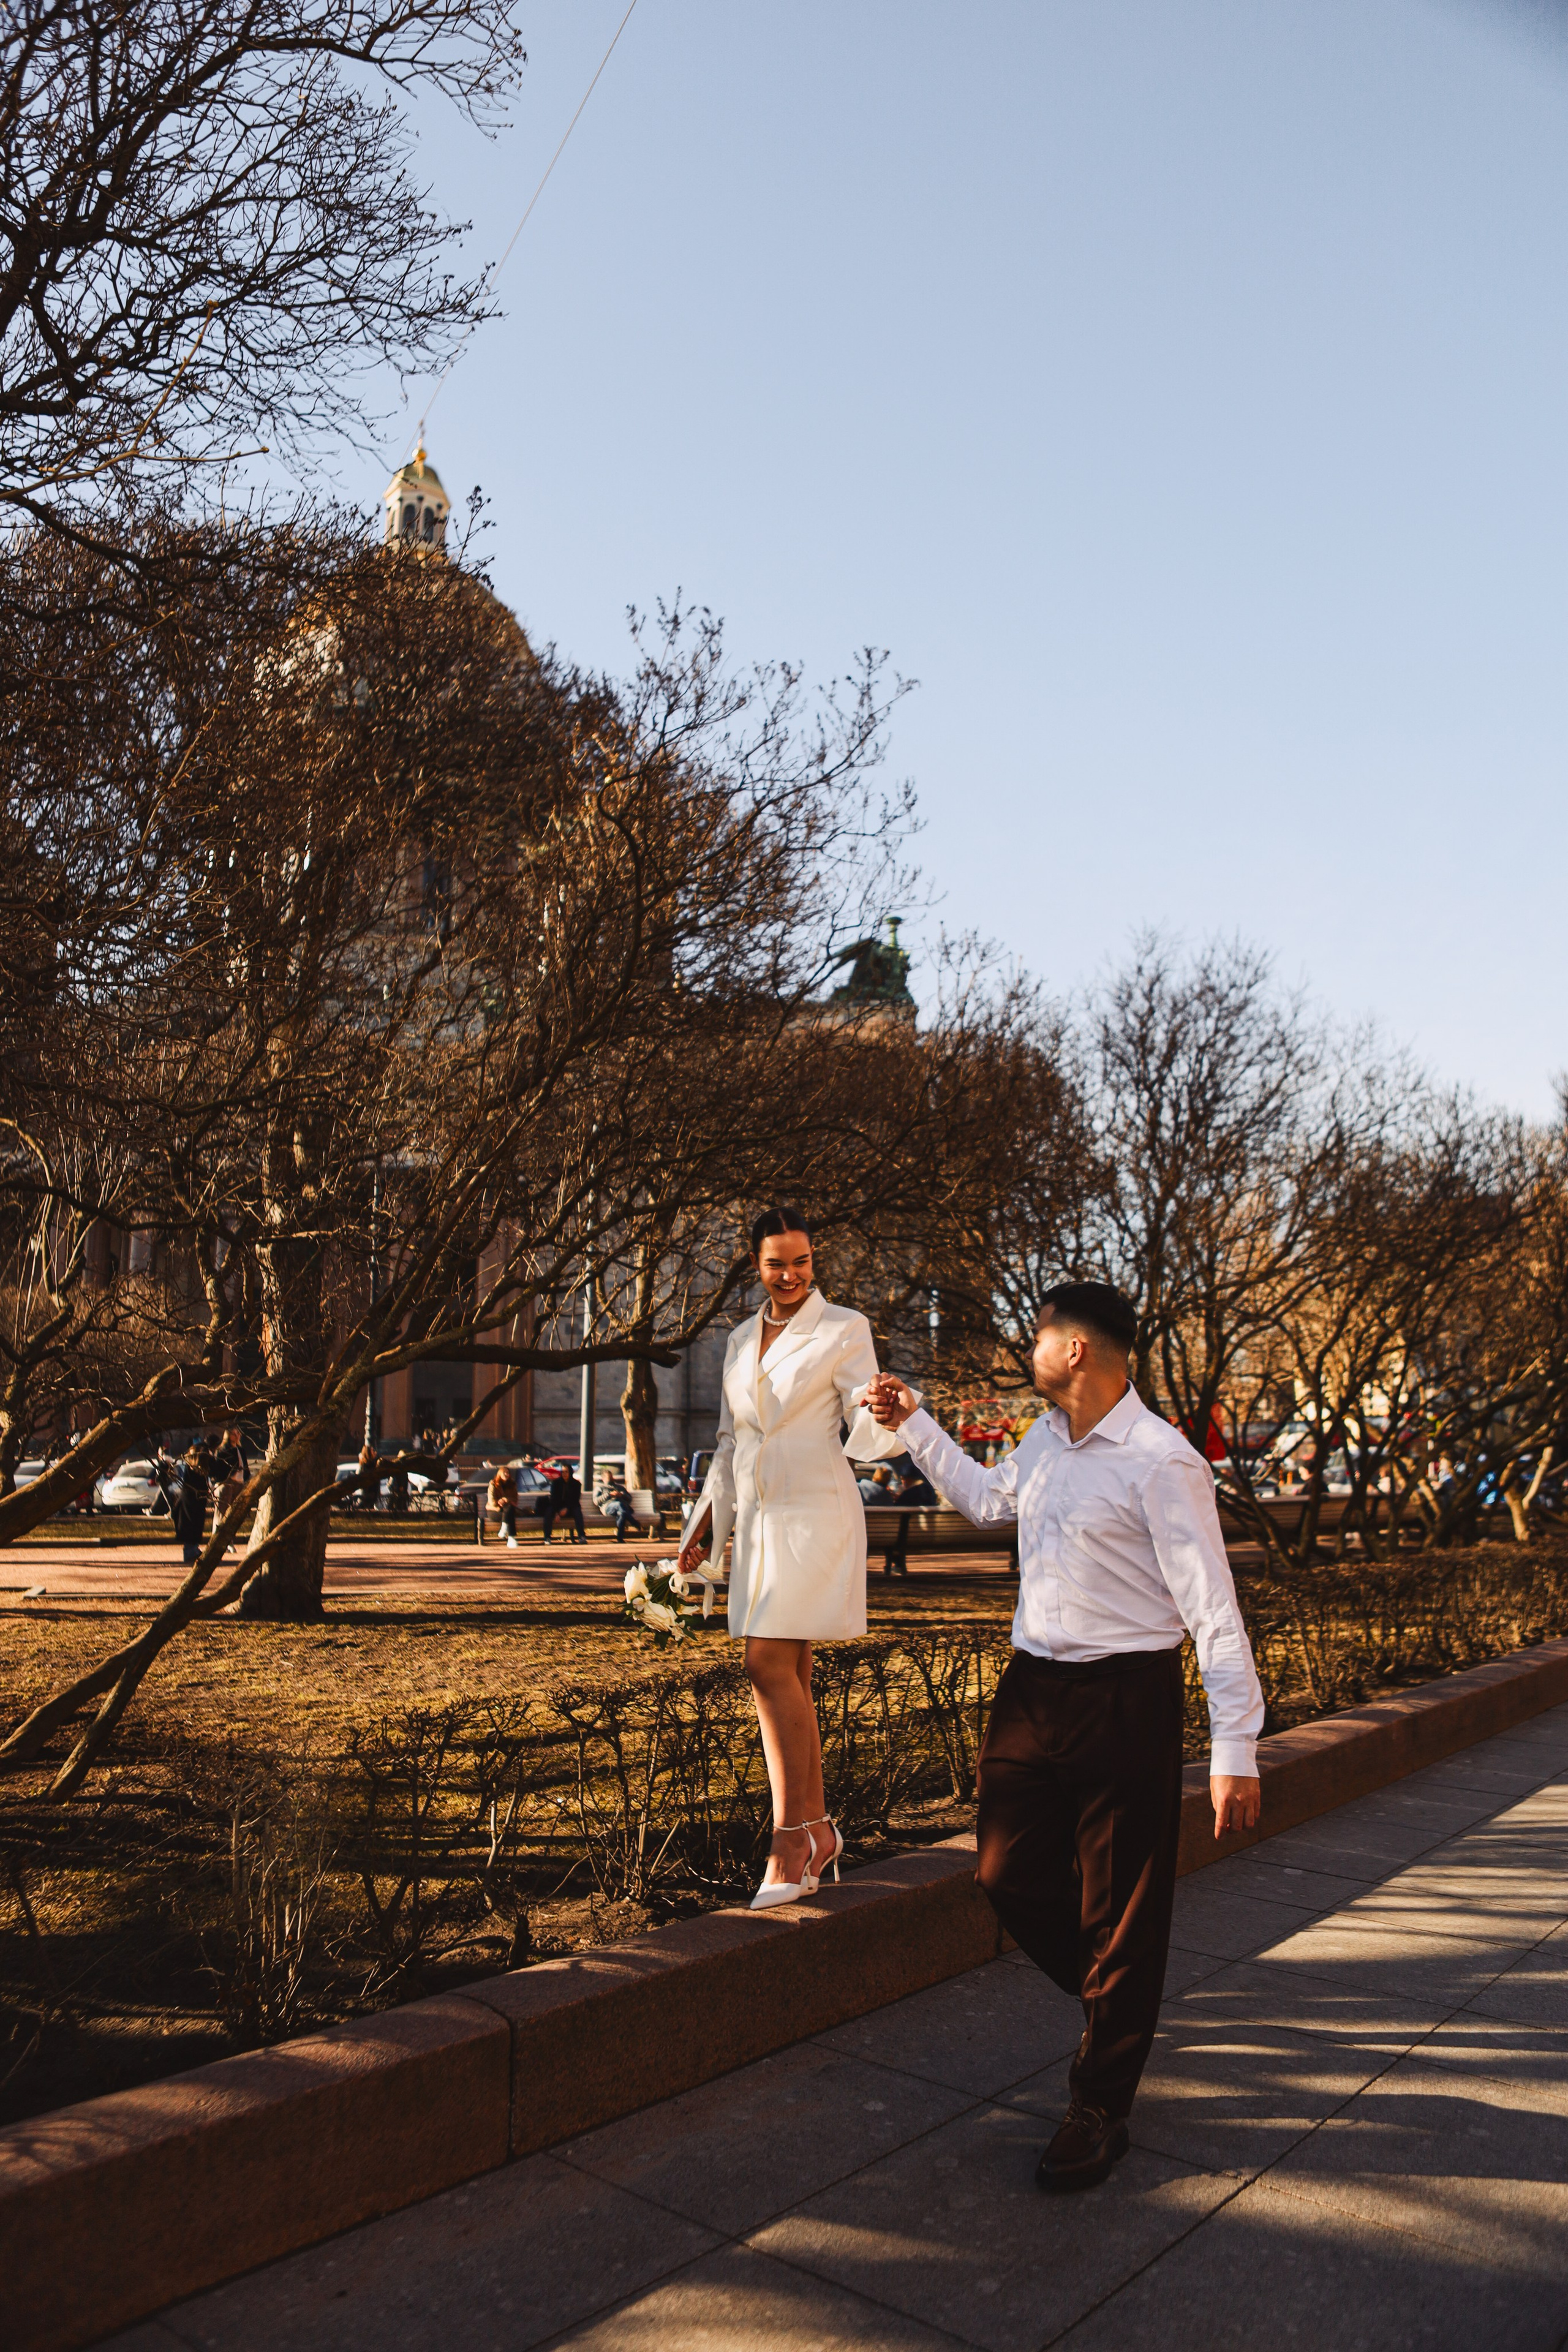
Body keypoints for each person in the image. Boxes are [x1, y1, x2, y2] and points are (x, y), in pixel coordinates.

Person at [867, 1280, 1264, 2193]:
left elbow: (1213, 1610)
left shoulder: (1162, 1462)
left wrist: (1234, 1746)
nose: (1030, 1347)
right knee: (1002, 1871)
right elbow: (990, 1505)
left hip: (1127, 1696)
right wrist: (918, 1425)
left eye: (1040, 1335)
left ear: (1076, 1349)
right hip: (1033, 1687)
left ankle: (1100, 2103)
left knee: (1123, 1905)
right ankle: (1114, 2003)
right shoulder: (1047, 1439)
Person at [679, 1205, 901, 1909]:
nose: (790, 1275)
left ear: (815, 1260)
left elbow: (862, 1425)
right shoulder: (739, 1339)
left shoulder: (844, 1328)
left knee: (764, 1664)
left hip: (815, 1513)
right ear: (756, 1265)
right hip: (761, 1523)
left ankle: (789, 1837)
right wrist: (705, 1524)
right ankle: (817, 1830)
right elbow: (728, 1440)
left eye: (801, 1262)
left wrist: (880, 1409)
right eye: (777, 1263)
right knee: (790, 1671)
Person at [489, 1460, 520, 1548]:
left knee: (510, 1510)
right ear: (500, 1474)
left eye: (508, 1473)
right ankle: (511, 1538)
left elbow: (515, 1499)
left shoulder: (512, 1484)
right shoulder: (493, 1484)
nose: (507, 1475)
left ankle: (504, 1528)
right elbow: (491, 1501)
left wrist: (506, 1500)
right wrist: (499, 1503)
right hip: (495, 1511)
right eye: (504, 1473)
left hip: (508, 1510)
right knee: (510, 1513)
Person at [601, 1474, 638, 1543]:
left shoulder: (620, 1487)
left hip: (622, 1507)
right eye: (608, 1477)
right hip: (608, 1507)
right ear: (603, 1479)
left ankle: (620, 1539)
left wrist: (622, 1495)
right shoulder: (600, 1488)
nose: (610, 1478)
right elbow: (596, 1501)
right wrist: (610, 1495)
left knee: (622, 1513)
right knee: (619, 1505)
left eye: (611, 1477)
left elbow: (630, 1499)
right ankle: (633, 1522)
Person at [558, 1462, 587, 1544]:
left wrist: (566, 1508)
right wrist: (557, 1511)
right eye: (563, 1472)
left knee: (577, 1511)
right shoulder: (557, 1484)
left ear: (570, 1472)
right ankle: (547, 1538)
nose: (564, 1474)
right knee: (550, 1511)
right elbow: (555, 1499)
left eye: (566, 1472)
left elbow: (575, 1500)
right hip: (560, 1509)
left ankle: (581, 1536)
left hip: (571, 1509)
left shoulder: (577, 1484)